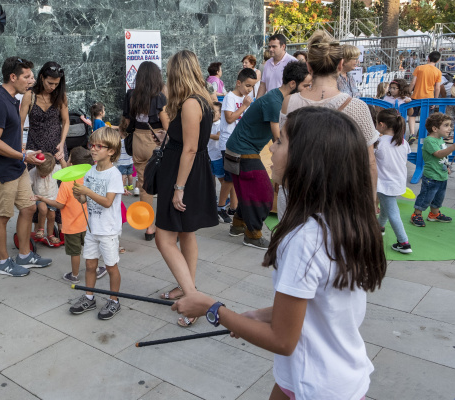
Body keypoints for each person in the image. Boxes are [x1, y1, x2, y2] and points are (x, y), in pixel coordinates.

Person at [173, 107, 387, 400]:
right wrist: (252, 316)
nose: (271, 147)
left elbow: (283, 340)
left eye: (281, 141)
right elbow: (320, 307)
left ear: (307, 159)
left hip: (316, 387)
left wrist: (212, 308)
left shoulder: (304, 240)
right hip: (333, 378)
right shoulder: (344, 224)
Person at [280, 31, 379, 220]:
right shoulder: (357, 107)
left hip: (297, 193)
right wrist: (371, 201)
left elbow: (284, 148)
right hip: (339, 197)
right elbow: (370, 163)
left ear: (309, 67)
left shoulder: (289, 102)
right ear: (340, 64)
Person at [154, 50, 219, 326]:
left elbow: (190, 149)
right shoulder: (201, 99)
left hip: (184, 175)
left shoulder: (192, 103)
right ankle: (186, 286)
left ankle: (193, 299)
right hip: (188, 170)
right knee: (185, 233)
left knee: (164, 238)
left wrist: (178, 187)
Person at [0, 56, 52, 277]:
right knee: (2, 216)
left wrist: (25, 153)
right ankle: (3, 262)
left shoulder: (13, 99)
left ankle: (24, 255)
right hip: (1, 172)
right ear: (13, 77)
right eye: (27, 76)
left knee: (29, 208)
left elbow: (12, 133)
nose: (31, 80)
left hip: (16, 165)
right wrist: (23, 156)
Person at [227, 61, 312, 249]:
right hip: (242, 152)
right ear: (292, 84)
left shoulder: (275, 97)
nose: (308, 89)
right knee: (264, 194)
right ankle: (253, 235)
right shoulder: (275, 101)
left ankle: (238, 226)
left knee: (247, 191)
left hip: (237, 150)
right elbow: (276, 137)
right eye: (305, 85)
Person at [69, 128, 124, 320]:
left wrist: (88, 192)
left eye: (99, 146)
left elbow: (108, 202)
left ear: (111, 151)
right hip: (92, 228)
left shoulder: (114, 175)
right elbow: (85, 201)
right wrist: (80, 195)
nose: (93, 149)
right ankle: (89, 297)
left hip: (108, 230)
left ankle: (114, 301)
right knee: (90, 265)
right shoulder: (91, 171)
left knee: (111, 267)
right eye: (92, 145)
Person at [33, 147, 107, 284]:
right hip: (89, 224)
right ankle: (96, 270)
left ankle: (74, 275)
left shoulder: (66, 184)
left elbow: (59, 204)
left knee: (75, 253)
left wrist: (43, 199)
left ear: (71, 164)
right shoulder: (89, 178)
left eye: (68, 159)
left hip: (71, 227)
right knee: (91, 249)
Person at [121, 61, 170, 240]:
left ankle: (149, 227)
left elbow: (125, 122)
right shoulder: (159, 97)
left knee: (144, 185)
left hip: (137, 142)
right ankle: (164, 225)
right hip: (155, 141)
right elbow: (166, 124)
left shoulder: (131, 95)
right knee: (165, 183)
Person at [217, 68, 258, 224]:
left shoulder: (246, 98)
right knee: (228, 178)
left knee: (235, 177)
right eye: (247, 85)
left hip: (240, 142)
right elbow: (229, 118)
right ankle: (220, 207)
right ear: (238, 82)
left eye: (252, 86)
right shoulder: (230, 97)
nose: (249, 89)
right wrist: (244, 106)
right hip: (228, 143)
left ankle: (233, 207)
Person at [410, 112, 455, 227]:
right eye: (446, 125)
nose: (450, 128)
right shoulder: (429, 141)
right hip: (431, 176)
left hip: (441, 175)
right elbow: (439, 154)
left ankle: (434, 214)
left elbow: (443, 158)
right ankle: (416, 215)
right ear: (435, 128)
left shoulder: (440, 139)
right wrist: (453, 147)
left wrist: (447, 167)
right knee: (426, 197)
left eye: (450, 125)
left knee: (439, 197)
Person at [374, 109, 412, 253]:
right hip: (397, 182)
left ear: (382, 125)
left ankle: (404, 243)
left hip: (384, 183)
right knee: (386, 207)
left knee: (393, 212)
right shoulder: (403, 142)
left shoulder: (378, 142)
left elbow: (370, 160)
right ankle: (380, 227)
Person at [21, 61, 70, 160]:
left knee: (59, 174)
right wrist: (19, 147)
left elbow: (66, 121)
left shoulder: (60, 96)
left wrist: (62, 142)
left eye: (56, 84)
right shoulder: (30, 95)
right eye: (50, 83)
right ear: (42, 78)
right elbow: (20, 122)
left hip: (56, 146)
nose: (52, 87)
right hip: (35, 147)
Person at [29, 153, 62, 246]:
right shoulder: (33, 172)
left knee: (52, 216)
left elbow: (65, 169)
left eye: (46, 174)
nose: (43, 176)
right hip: (39, 197)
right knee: (43, 209)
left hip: (52, 197)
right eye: (41, 174)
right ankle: (40, 229)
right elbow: (28, 184)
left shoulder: (55, 168)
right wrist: (31, 196)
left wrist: (62, 159)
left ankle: (50, 235)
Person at [408, 51, 442, 141]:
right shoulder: (438, 72)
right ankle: (422, 135)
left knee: (412, 115)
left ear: (428, 58)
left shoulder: (419, 68)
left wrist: (408, 92)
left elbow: (413, 82)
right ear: (438, 60)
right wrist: (435, 100)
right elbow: (437, 88)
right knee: (427, 117)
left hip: (416, 96)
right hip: (429, 98)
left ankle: (412, 134)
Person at [256, 34, 297, 98]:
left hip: (286, 103)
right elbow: (263, 84)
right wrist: (257, 103)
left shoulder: (293, 62)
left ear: (283, 46)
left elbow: (296, 85)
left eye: (274, 47)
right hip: (270, 103)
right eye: (269, 47)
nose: (270, 49)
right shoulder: (267, 63)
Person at [207, 102, 224, 200]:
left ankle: (225, 198)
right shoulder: (208, 124)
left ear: (221, 114)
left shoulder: (220, 124)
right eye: (210, 111)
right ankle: (213, 197)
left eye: (214, 111)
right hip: (208, 156)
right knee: (210, 178)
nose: (211, 113)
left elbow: (218, 136)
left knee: (221, 178)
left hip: (217, 156)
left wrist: (205, 134)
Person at [117, 129, 135, 194]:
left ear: (121, 133)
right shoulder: (130, 142)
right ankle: (130, 185)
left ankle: (123, 186)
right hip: (130, 161)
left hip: (122, 162)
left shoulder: (119, 142)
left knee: (123, 175)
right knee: (130, 174)